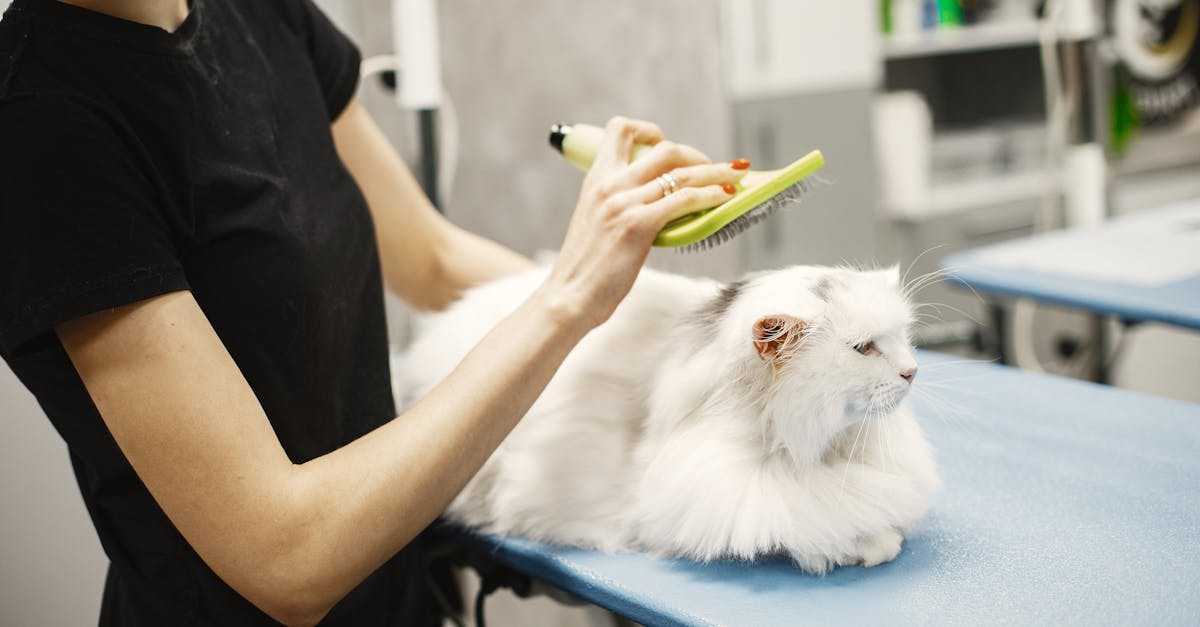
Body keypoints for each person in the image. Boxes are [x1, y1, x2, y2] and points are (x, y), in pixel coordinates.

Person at [0, 0, 748, 624]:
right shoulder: (45, 125)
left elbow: (433, 262)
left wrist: (685, 322)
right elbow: (288, 555)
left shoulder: (258, 12)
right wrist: (569, 298)